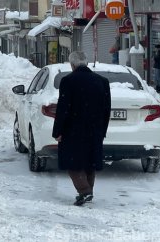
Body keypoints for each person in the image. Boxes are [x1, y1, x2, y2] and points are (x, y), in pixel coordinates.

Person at [52, 51, 111, 206]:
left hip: (73, 130)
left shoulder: (68, 81)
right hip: (95, 130)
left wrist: (57, 131)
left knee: (73, 162)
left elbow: (63, 108)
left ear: (72, 65)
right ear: (86, 63)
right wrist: (102, 131)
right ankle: (87, 191)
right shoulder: (102, 81)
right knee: (89, 161)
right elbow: (107, 109)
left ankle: (85, 191)